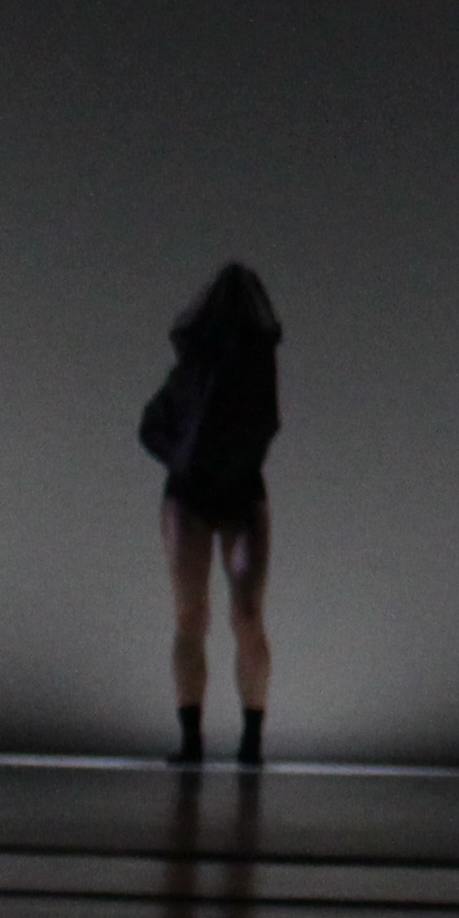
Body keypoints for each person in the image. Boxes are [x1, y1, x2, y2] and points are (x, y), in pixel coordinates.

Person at [137, 262, 285, 765]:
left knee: (245, 615)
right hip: (194, 494)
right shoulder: (193, 370)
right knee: (193, 615)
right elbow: (150, 427)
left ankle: (250, 740)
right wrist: (185, 458)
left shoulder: (256, 364)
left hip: (238, 492)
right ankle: (194, 739)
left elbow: (265, 425)